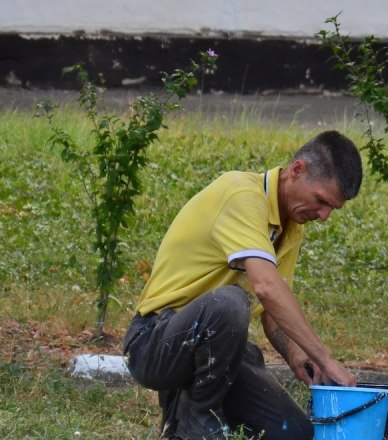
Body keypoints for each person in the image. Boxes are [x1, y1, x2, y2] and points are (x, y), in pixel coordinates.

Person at [123, 130, 362, 440]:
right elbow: (265, 287)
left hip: (217, 352)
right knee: (230, 303)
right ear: (297, 170)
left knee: (294, 433)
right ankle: (197, 418)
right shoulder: (242, 195)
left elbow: (272, 310)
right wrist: (325, 359)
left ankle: (193, 410)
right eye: (320, 200)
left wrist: (298, 356)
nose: (325, 215)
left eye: (332, 208)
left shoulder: (290, 226)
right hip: (154, 343)